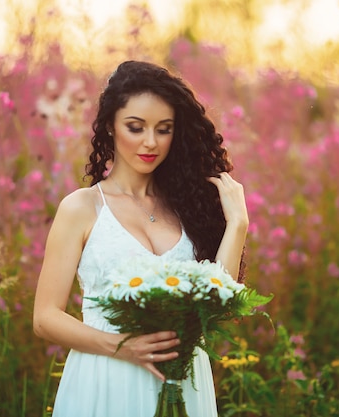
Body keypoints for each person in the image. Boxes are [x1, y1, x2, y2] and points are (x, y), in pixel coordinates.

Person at [33, 60, 249, 417]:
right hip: (107, 379)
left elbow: (215, 304)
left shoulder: (187, 207)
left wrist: (237, 223)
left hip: (185, 383)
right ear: (110, 127)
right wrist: (122, 346)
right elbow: (44, 317)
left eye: (163, 129)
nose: (151, 142)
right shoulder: (82, 208)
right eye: (136, 127)